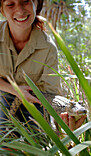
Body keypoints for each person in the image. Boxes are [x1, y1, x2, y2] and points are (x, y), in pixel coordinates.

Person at [0, 0, 86, 134]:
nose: (20, 10)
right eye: (10, 4)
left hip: (35, 103)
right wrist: (15, 90)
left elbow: (52, 94)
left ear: (36, 4)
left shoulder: (48, 48)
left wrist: (65, 128)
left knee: (41, 143)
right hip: (2, 96)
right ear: (2, 10)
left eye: (25, 1)